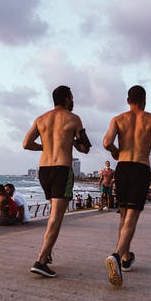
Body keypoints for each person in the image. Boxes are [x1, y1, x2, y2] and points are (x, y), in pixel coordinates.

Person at [103, 85, 151, 288]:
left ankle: (124, 258)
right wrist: (149, 141)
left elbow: (106, 142)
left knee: (123, 217)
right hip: (140, 168)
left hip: (122, 167)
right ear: (144, 100)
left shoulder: (118, 119)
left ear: (127, 100)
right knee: (131, 217)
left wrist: (116, 151)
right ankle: (115, 255)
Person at [22, 85, 91, 277]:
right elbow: (85, 147)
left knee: (54, 213)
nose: (73, 100)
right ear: (68, 98)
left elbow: (26, 144)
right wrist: (71, 142)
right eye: (72, 97)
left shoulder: (40, 119)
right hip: (62, 170)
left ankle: (47, 252)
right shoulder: (73, 118)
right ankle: (41, 259)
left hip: (44, 170)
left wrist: (45, 147)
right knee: (56, 217)